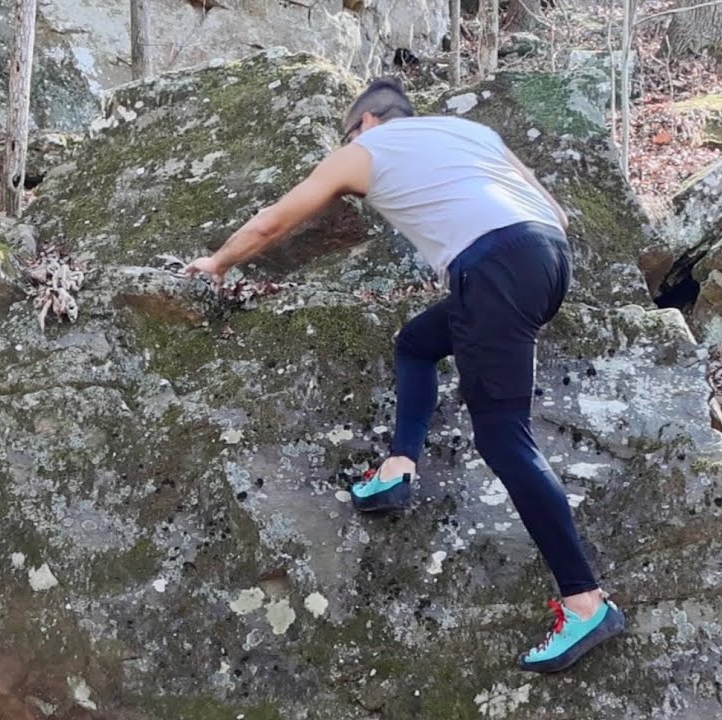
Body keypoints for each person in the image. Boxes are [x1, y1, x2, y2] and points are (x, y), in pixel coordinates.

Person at [184, 77, 624, 673]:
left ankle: (584, 601)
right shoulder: (474, 133)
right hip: (548, 259)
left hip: (492, 267)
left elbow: (272, 224)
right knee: (416, 343)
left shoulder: (364, 151)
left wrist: (216, 263)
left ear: (365, 123)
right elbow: (555, 210)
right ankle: (398, 467)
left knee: (502, 438)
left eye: (348, 132)